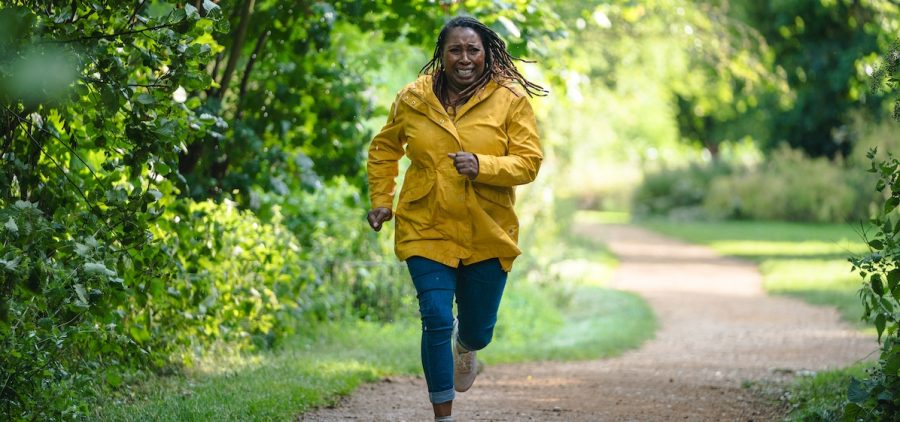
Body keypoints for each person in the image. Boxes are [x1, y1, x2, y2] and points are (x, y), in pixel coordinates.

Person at [366, 15, 546, 422]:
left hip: (488, 228)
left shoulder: (510, 99)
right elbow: (384, 149)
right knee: (434, 315)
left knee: (477, 330)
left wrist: (481, 165)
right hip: (425, 222)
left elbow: (529, 161)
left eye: (473, 50)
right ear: (441, 55)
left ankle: (466, 348)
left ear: (486, 54)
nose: (464, 58)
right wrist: (382, 199)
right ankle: (442, 416)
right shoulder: (413, 99)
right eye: (455, 50)